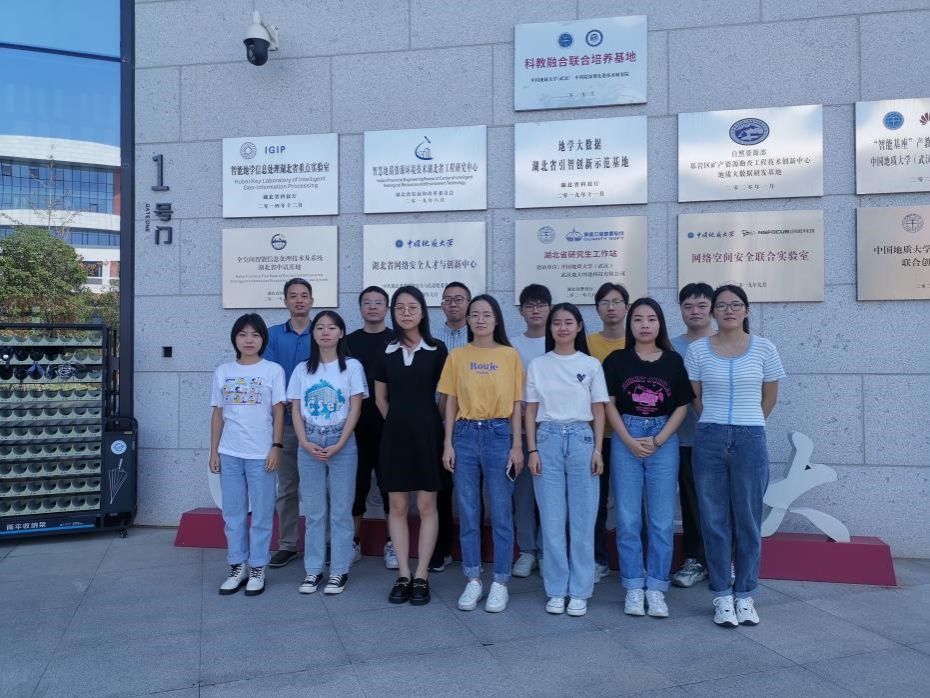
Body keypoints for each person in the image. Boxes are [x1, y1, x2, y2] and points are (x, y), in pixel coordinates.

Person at [685, 284, 785, 627]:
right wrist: (715, 423)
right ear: (713, 312)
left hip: (750, 437)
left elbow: (769, 398)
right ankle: (722, 595)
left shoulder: (765, 348)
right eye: (722, 305)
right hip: (709, 438)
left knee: (748, 519)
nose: (729, 310)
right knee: (713, 519)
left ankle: (745, 594)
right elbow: (695, 398)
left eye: (736, 304)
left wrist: (746, 422)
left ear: (746, 310)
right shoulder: (698, 350)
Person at [604, 298, 694, 618]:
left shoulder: (673, 360)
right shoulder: (617, 360)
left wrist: (659, 439)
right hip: (625, 436)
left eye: (651, 319)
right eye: (638, 319)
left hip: (663, 439)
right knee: (628, 517)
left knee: (661, 518)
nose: (645, 324)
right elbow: (608, 403)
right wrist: (628, 439)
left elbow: (682, 405)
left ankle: (656, 586)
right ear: (630, 325)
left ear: (660, 324)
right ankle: (633, 585)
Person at [439, 294, 523, 613]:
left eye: (487, 314)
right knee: (469, 510)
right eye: (475, 314)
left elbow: (517, 403)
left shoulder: (509, 355)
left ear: (496, 319)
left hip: (499, 434)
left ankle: (500, 581)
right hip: (464, 434)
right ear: (468, 320)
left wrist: (517, 445)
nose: (480, 319)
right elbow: (450, 402)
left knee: (501, 510)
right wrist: (448, 443)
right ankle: (473, 578)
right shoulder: (457, 356)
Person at [525, 303, 608, 617]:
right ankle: (557, 589)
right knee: (552, 519)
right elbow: (530, 410)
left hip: (581, 439)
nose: (562, 327)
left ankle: (581, 590)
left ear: (578, 326)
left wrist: (597, 450)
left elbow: (599, 409)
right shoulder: (538, 364)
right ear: (550, 328)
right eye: (557, 322)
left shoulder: (590, 364)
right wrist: (532, 450)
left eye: (568, 322)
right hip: (547, 438)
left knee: (583, 520)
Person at [375, 286, 449, 606]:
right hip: (395, 436)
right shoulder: (386, 350)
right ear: (393, 312)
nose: (406, 313)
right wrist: (397, 422)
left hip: (429, 434)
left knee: (427, 505)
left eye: (412, 307)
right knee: (398, 506)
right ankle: (403, 573)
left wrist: (434, 424)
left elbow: (446, 396)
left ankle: (422, 574)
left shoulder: (437, 349)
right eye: (400, 307)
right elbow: (380, 397)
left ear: (422, 311)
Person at [288, 311, 368, 596]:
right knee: (314, 511)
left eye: (332, 327)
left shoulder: (352, 367)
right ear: (313, 333)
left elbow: (356, 408)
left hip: (341, 440)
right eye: (320, 327)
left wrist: (340, 442)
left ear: (341, 332)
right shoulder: (302, 370)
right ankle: (313, 570)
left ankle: (339, 570)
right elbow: (295, 409)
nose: (325, 332)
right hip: (309, 440)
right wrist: (304, 441)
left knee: (341, 511)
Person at [210, 313, 286, 596]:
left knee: (263, 515)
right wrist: (214, 451)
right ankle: (237, 565)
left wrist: (276, 446)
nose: (249, 340)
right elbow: (218, 415)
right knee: (233, 514)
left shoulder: (273, 371)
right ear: (235, 339)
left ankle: (257, 567)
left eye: (255, 334)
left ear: (263, 339)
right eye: (243, 334)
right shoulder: (223, 371)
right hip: (229, 452)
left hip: (261, 454)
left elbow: (279, 412)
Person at [264, 278, 313, 569]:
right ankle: (288, 544)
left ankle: (324, 543)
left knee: (322, 488)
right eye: (293, 296)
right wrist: (286, 402)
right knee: (287, 487)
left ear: (312, 301)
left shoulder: (322, 332)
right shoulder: (271, 335)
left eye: (304, 295)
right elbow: (269, 374)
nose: (299, 300)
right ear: (285, 301)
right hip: (284, 424)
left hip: (316, 424)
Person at [670, 283, 715, 588]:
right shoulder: (671, 347)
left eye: (701, 305)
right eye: (688, 306)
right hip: (684, 438)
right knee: (691, 502)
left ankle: (724, 559)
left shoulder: (724, 343)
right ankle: (695, 559)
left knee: (724, 501)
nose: (695, 311)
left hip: (721, 437)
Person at [346, 286, 393, 568]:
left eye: (378, 302)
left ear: (386, 308)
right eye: (367, 302)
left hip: (389, 424)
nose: (373, 307)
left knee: (391, 485)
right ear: (360, 307)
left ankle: (392, 543)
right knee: (357, 484)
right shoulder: (348, 342)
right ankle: (353, 542)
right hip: (356, 425)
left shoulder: (397, 340)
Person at [586, 282, 630, 582]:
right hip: (594, 436)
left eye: (616, 301)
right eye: (604, 302)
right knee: (595, 501)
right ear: (597, 309)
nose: (611, 307)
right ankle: (597, 558)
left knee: (630, 501)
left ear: (627, 307)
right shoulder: (587, 344)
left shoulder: (638, 340)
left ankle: (632, 561)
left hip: (631, 437)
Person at [430, 281, 472, 573]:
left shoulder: (480, 335)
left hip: (472, 423)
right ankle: (441, 548)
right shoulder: (432, 338)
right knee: (441, 488)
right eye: (448, 299)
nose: (453, 304)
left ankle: (472, 551)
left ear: (469, 303)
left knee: (472, 490)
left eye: (459, 299)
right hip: (437, 421)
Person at [510, 283, 550, 578]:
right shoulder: (512, 345)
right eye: (529, 305)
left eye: (541, 305)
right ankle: (527, 550)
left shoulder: (561, 339)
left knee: (550, 493)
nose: (535, 310)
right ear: (521, 311)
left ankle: (548, 550)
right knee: (522, 492)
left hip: (553, 428)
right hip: (522, 430)